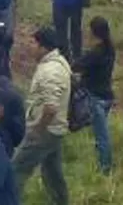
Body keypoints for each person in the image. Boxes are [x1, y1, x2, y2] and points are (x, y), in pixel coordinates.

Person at [13, 27, 72, 205]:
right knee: (52, 172)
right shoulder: (57, 62)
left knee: (17, 170)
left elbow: (51, 107)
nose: (29, 46)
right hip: (54, 129)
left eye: (33, 43)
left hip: (45, 130)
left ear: (44, 47)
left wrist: (37, 128)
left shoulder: (50, 71)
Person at [73, 17, 116, 174]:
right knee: (100, 131)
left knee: (101, 135)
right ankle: (101, 161)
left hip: (95, 97)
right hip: (107, 95)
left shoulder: (94, 54)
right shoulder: (110, 49)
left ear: (93, 33)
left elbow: (75, 66)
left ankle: (105, 167)